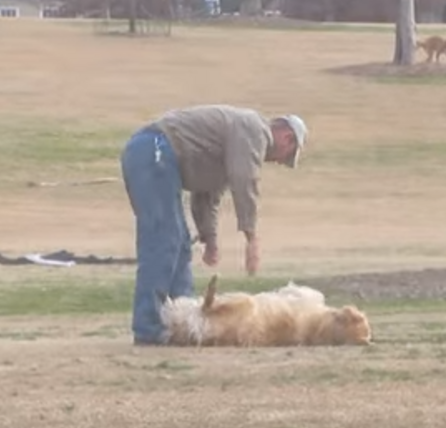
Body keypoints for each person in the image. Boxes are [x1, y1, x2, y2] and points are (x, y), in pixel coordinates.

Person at [119, 105, 307, 346]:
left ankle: (182, 325)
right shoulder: (254, 129)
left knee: (180, 244)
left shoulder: (237, 145)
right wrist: (251, 238)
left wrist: (210, 238)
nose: (280, 162)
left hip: (157, 155)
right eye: (287, 155)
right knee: (164, 240)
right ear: (287, 138)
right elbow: (244, 179)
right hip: (154, 149)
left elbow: (207, 194)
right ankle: (149, 328)